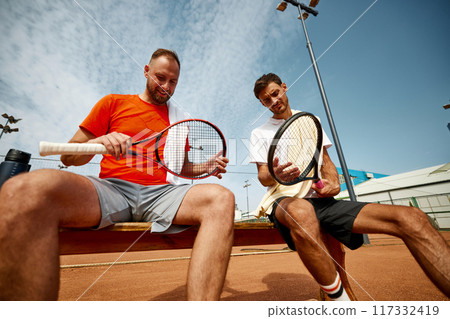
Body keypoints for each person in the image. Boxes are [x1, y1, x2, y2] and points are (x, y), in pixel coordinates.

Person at [0, 49, 235, 301]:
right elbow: (69, 158)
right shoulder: (112, 103)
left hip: (162, 193)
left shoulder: (181, 121)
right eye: (160, 77)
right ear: (146, 71)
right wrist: (100, 140)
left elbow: (180, 167)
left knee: (222, 199)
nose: (166, 86)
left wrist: (206, 165)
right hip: (112, 189)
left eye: (173, 81)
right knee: (27, 189)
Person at [249, 73, 450, 300]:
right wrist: (274, 173)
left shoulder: (309, 119)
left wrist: (333, 182)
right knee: (302, 212)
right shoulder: (259, 133)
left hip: (322, 201)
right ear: (262, 103)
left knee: (413, 218)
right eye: (266, 100)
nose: (273, 101)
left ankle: (334, 293)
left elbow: (325, 160)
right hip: (285, 202)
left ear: (284, 88)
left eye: (275, 93)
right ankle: (341, 301)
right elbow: (263, 176)